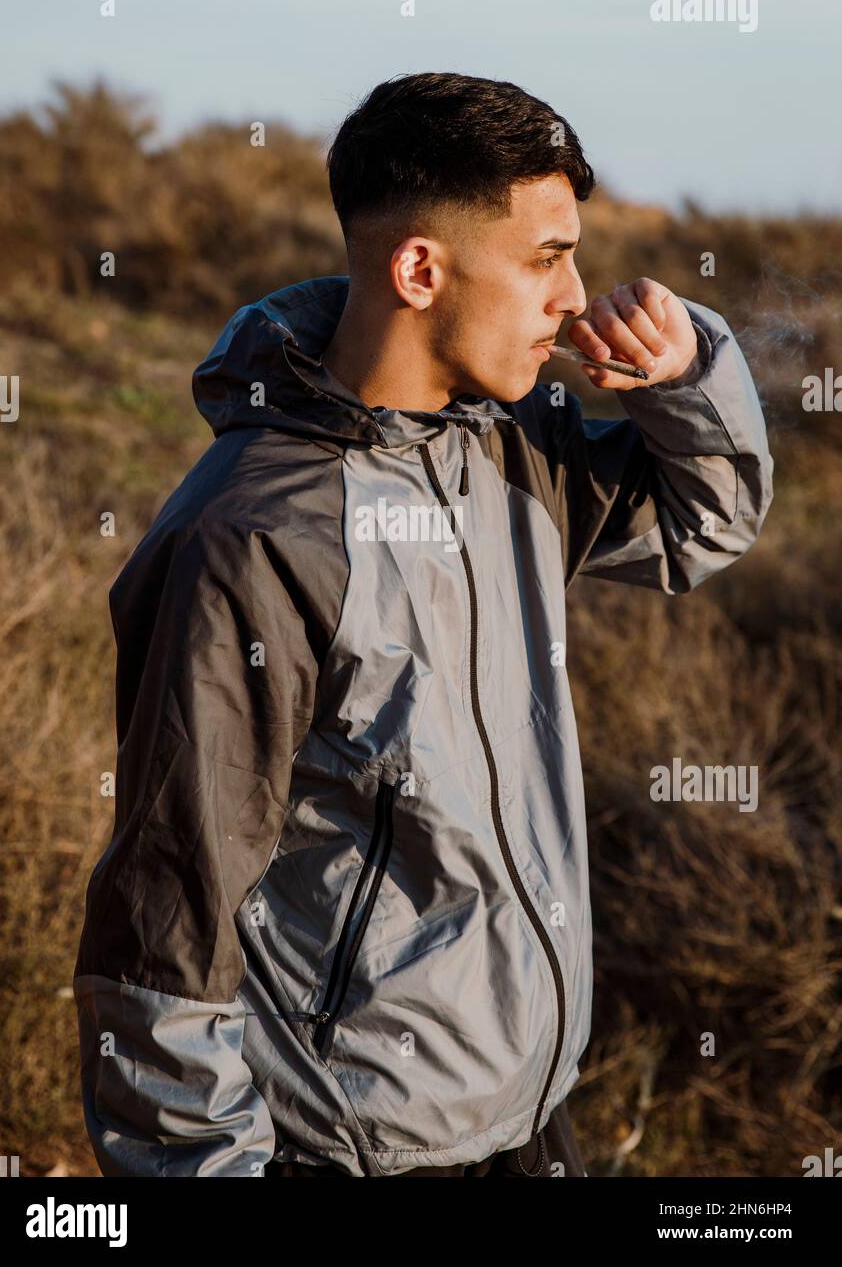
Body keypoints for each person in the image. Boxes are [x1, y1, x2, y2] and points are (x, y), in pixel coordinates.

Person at [73, 71, 774, 1178]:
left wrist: (679, 382)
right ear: (416, 268)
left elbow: (703, 526)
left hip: (531, 1123)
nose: (571, 297)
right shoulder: (253, 536)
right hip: (355, 1153)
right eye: (545, 257)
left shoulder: (509, 448)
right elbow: (168, 920)